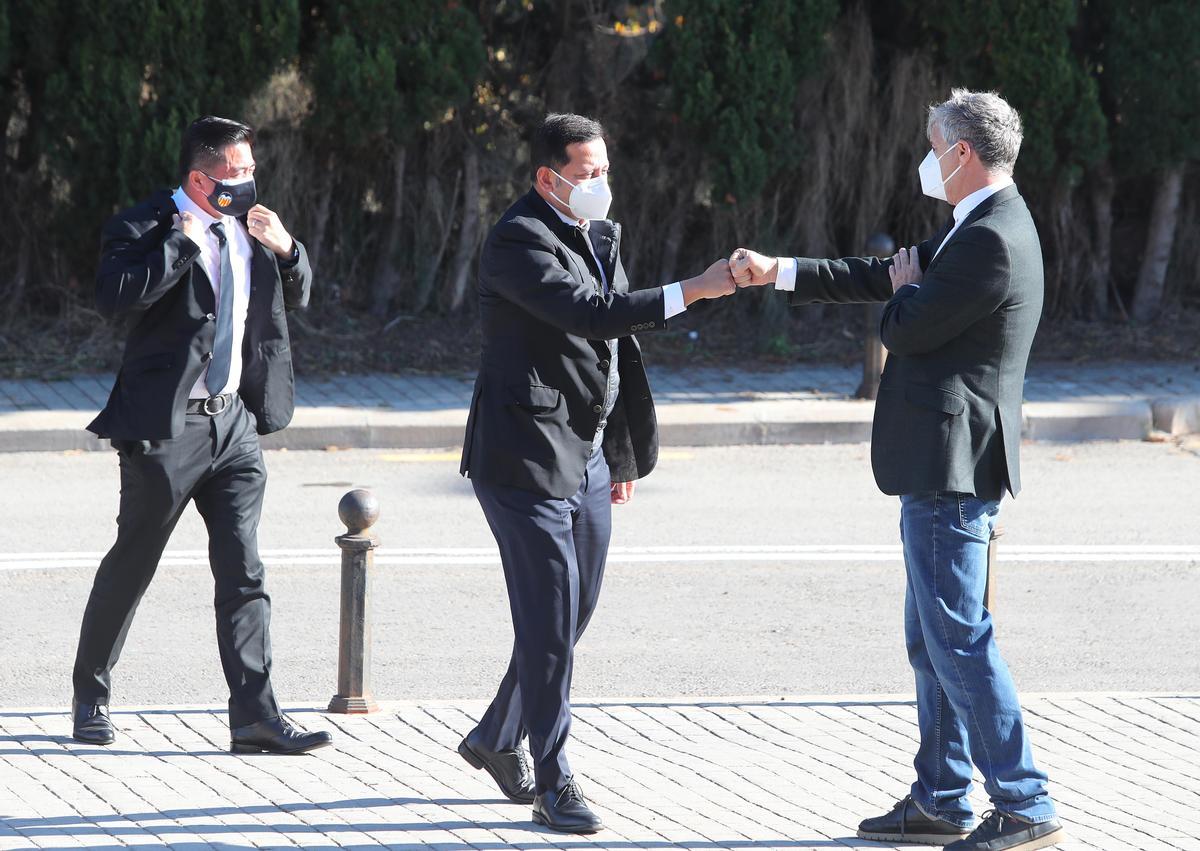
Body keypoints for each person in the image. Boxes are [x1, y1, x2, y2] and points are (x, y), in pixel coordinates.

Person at [731, 89, 1065, 851]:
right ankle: (942, 797)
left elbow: (906, 321)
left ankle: (1024, 800)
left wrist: (906, 290)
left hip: (952, 468)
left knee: (958, 638)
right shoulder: (981, 222)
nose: (926, 159)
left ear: (963, 153)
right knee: (934, 639)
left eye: (933, 146)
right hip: (943, 461)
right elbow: (884, 274)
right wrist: (779, 270)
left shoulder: (992, 238)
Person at [458, 112, 735, 833]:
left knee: (573, 612)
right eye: (587, 173)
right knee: (550, 622)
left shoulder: (599, 233)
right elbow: (592, 314)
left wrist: (619, 451)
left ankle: (496, 737)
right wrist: (694, 288)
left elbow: (615, 352)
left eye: (605, 170)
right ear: (548, 177)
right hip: (524, 457)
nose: (601, 183)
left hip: (585, 452)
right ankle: (554, 782)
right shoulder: (518, 239)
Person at [71, 116, 331, 757]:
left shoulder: (252, 225)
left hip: (233, 421)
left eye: (251, 170)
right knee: (134, 562)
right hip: (167, 427)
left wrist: (288, 250)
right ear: (199, 177)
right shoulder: (144, 225)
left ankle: (255, 717)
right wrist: (180, 245)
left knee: (244, 569)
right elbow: (115, 297)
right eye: (236, 172)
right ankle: (90, 695)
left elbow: (296, 297)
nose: (248, 181)